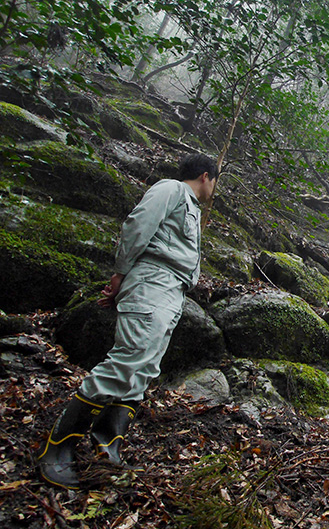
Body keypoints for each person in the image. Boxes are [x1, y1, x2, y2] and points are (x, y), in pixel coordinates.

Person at [37, 153, 218, 489]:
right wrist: (120, 275)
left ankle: (107, 447)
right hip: (153, 281)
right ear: (207, 176)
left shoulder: (190, 206)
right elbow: (138, 224)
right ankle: (57, 450)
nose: (214, 190)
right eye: (216, 182)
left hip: (171, 291)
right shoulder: (171, 190)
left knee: (145, 368)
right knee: (129, 359)